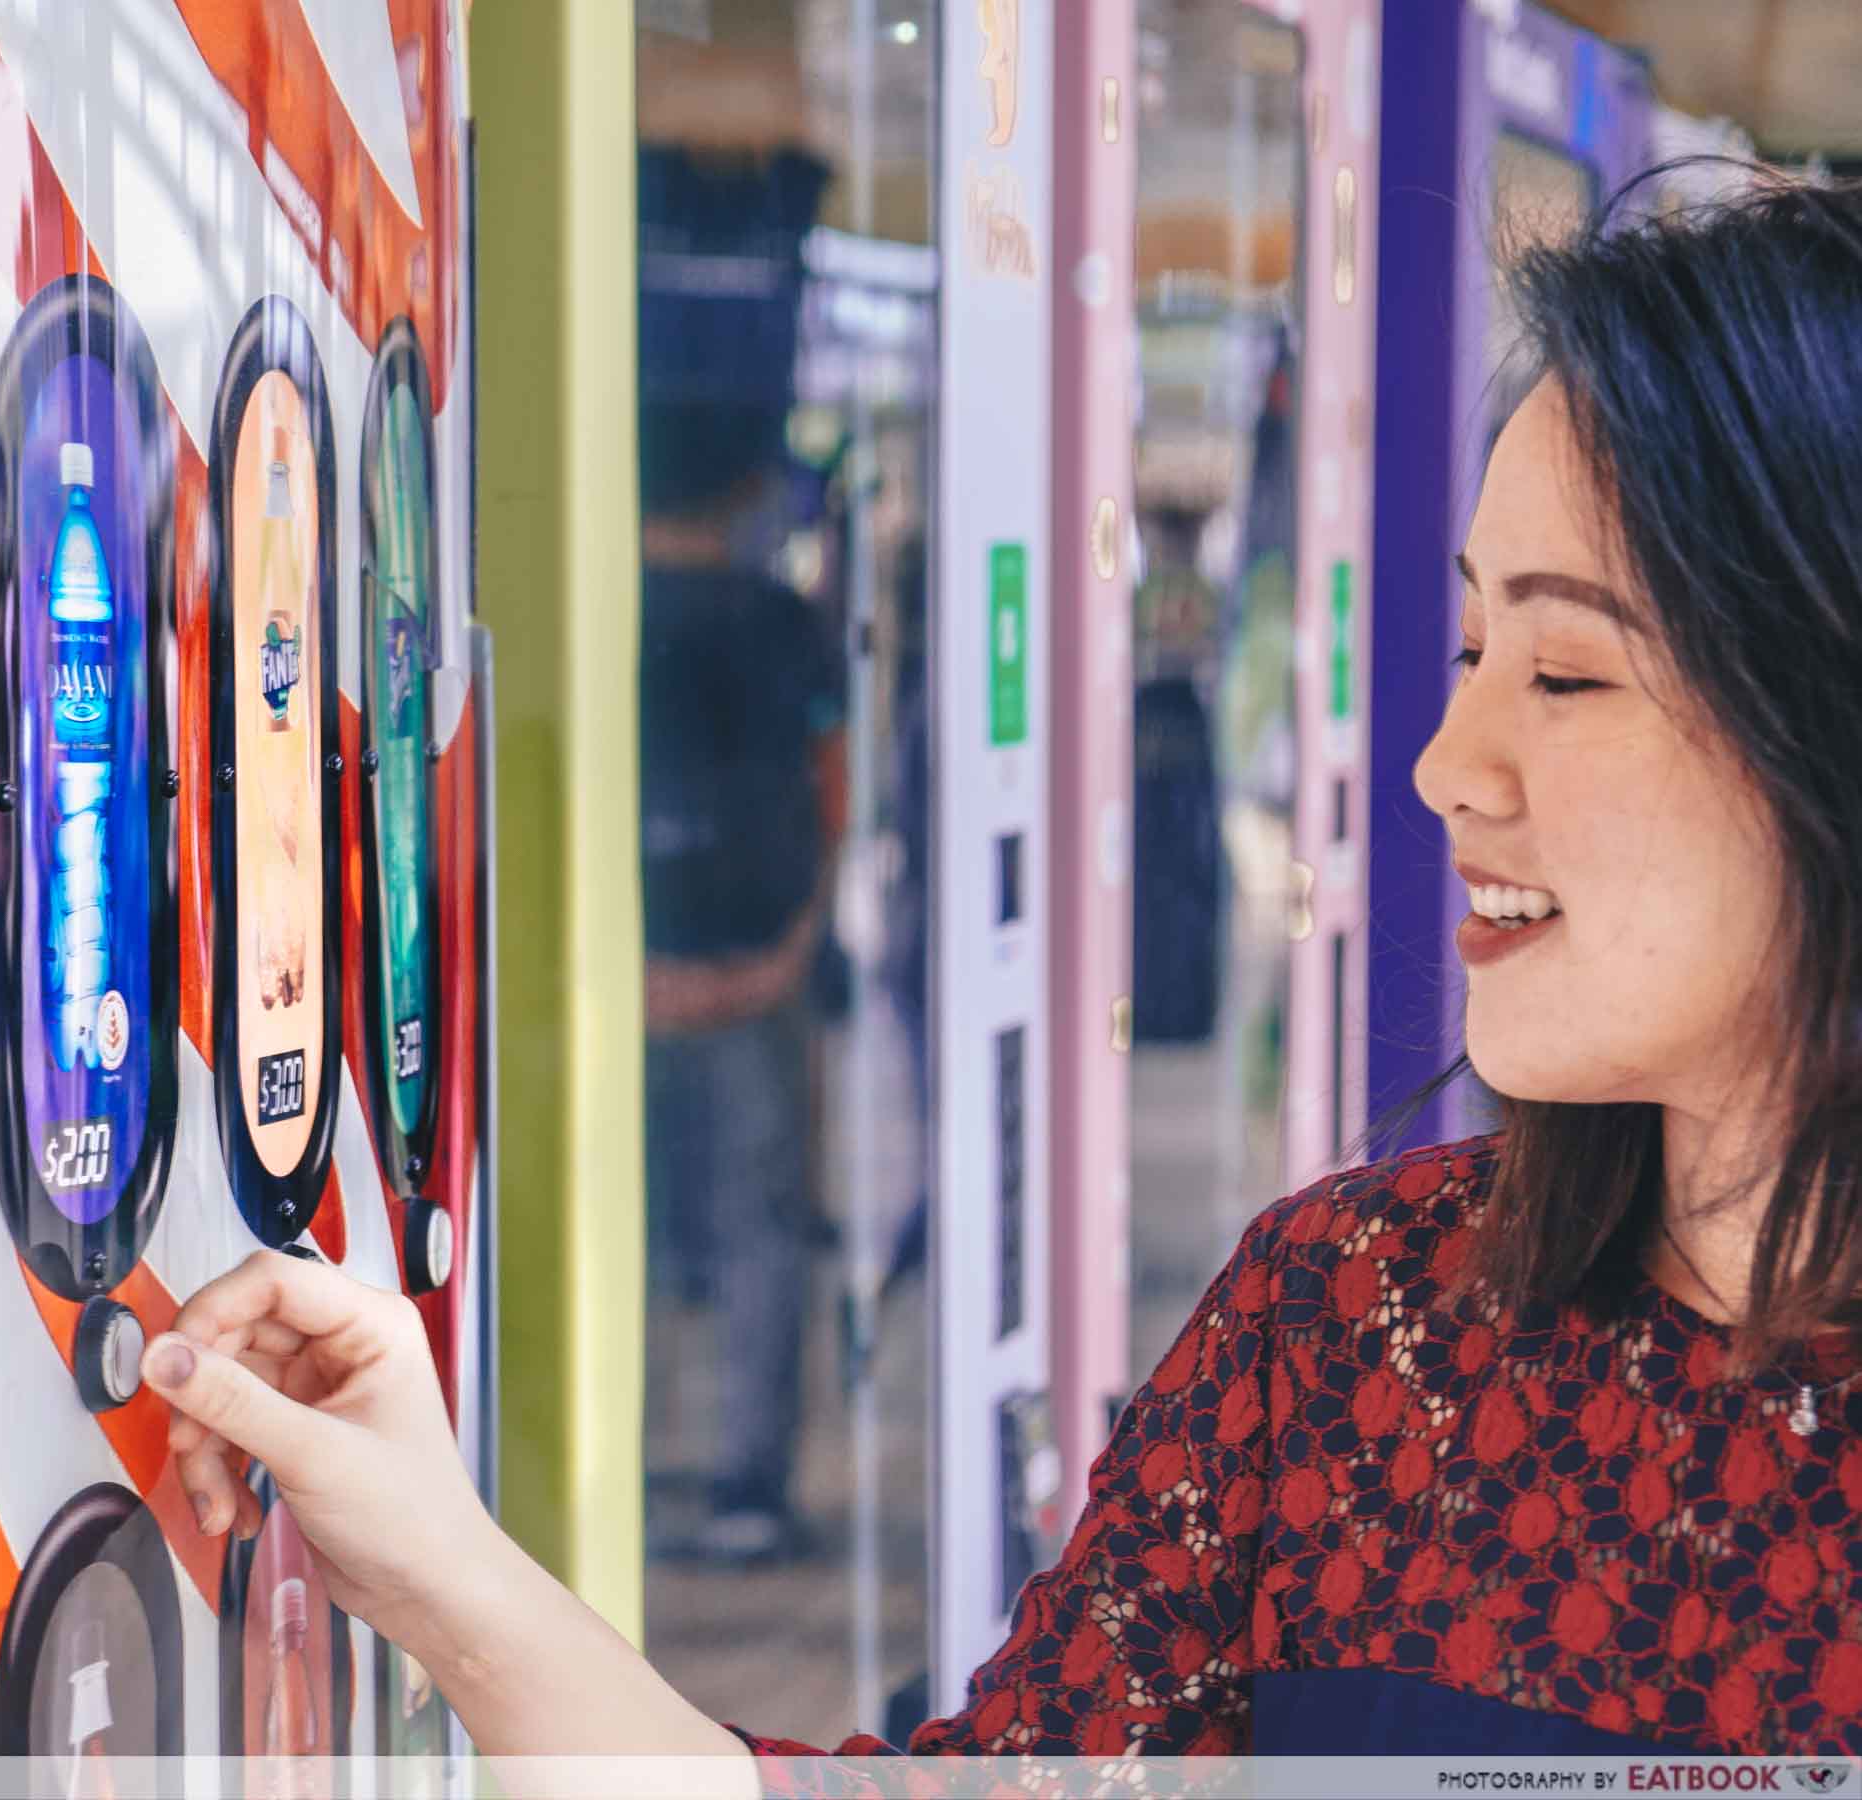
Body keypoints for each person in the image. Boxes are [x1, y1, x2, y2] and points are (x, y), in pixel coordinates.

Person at [133, 174, 1862, 1769]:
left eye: (1565, 676)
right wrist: (439, 1560)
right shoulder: (1354, 1327)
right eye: (1473, 643)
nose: (1444, 765)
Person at [638, 399, 848, 1563]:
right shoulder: (782, 621)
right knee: (763, 1224)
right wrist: (792, 946)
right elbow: (831, 783)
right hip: (757, 974)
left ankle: (624, 1467)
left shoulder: (595, 616)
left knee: (623, 1219)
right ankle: (745, 1487)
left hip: (616, 987)